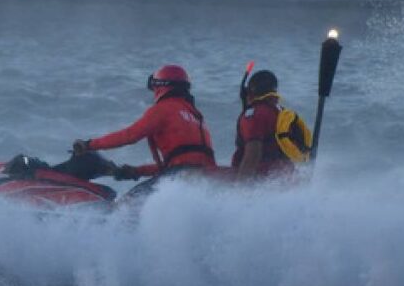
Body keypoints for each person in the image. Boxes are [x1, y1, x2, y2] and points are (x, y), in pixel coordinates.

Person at [72, 65, 216, 195]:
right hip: (207, 179)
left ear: (160, 86)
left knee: (126, 204)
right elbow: (181, 162)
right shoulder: (197, 118)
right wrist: (137, 171)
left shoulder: (163, 109)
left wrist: (89, 145)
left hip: (181, 176)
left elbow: (129, 136)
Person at [232, 69, 301, 180]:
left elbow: (253, 154)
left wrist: (240, 190)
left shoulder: (254, 115)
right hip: (284, 176)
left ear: (250, 93)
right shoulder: (281, 113)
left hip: (262, 178)